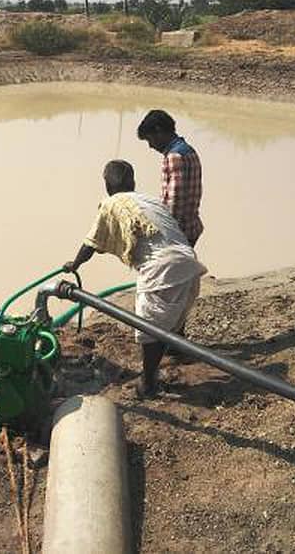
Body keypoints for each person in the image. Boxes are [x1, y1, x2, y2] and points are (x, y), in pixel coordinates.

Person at [62, 160, 207, 398]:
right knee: (166, 321)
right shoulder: (149, 201)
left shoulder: (111, 204)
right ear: (132, 182)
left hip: (162, 268)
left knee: (149, 329)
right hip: (188, 262)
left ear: (107, 184)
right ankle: (176, 352)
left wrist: (74, 264)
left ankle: (147, 384)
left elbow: (92, 243)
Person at [136, 109, 204, 247]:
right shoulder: (189, 151)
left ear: (159, 131)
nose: (151, 146)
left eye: (150, 139)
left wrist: (163, 233)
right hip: (191, 227)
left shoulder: (174, 157)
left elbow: (174, 202)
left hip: (177, 234)